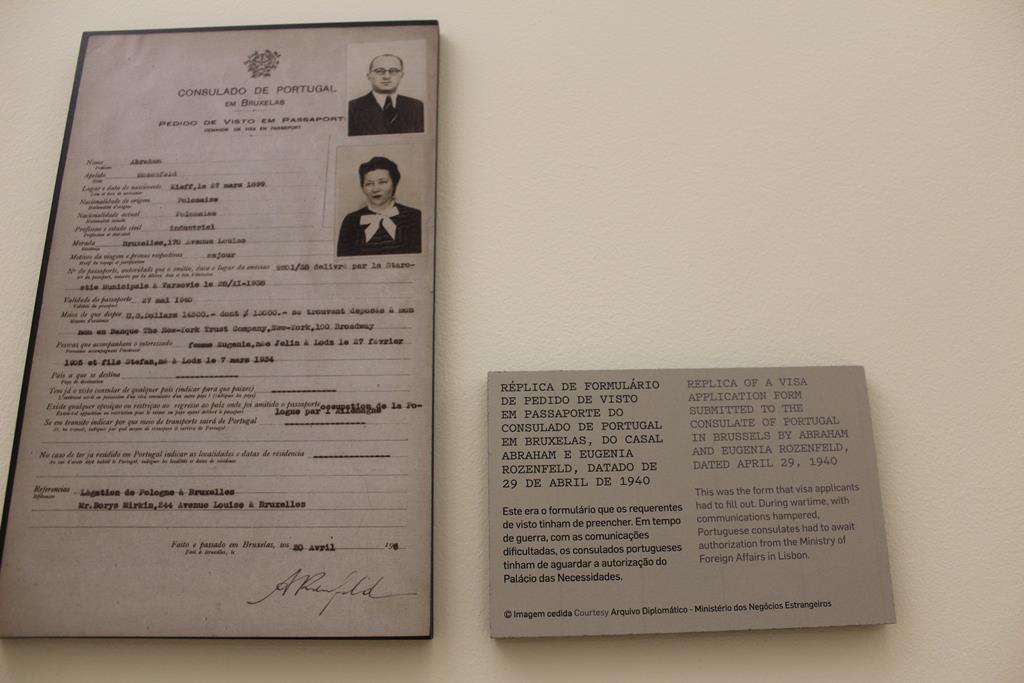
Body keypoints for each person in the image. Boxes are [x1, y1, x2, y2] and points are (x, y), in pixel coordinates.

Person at [337, 156, 422, 256]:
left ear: (394, 184)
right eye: (369, 184)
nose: (375, 189)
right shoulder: (351, 221)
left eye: (382, 182)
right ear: (362, 187)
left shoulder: (414, 217)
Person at [348, 54, 424, 136]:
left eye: (393, 71)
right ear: (369, 76)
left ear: (401, 75)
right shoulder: (352, 108)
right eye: (379, 71)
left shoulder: (416, 106)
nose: (387, 76)